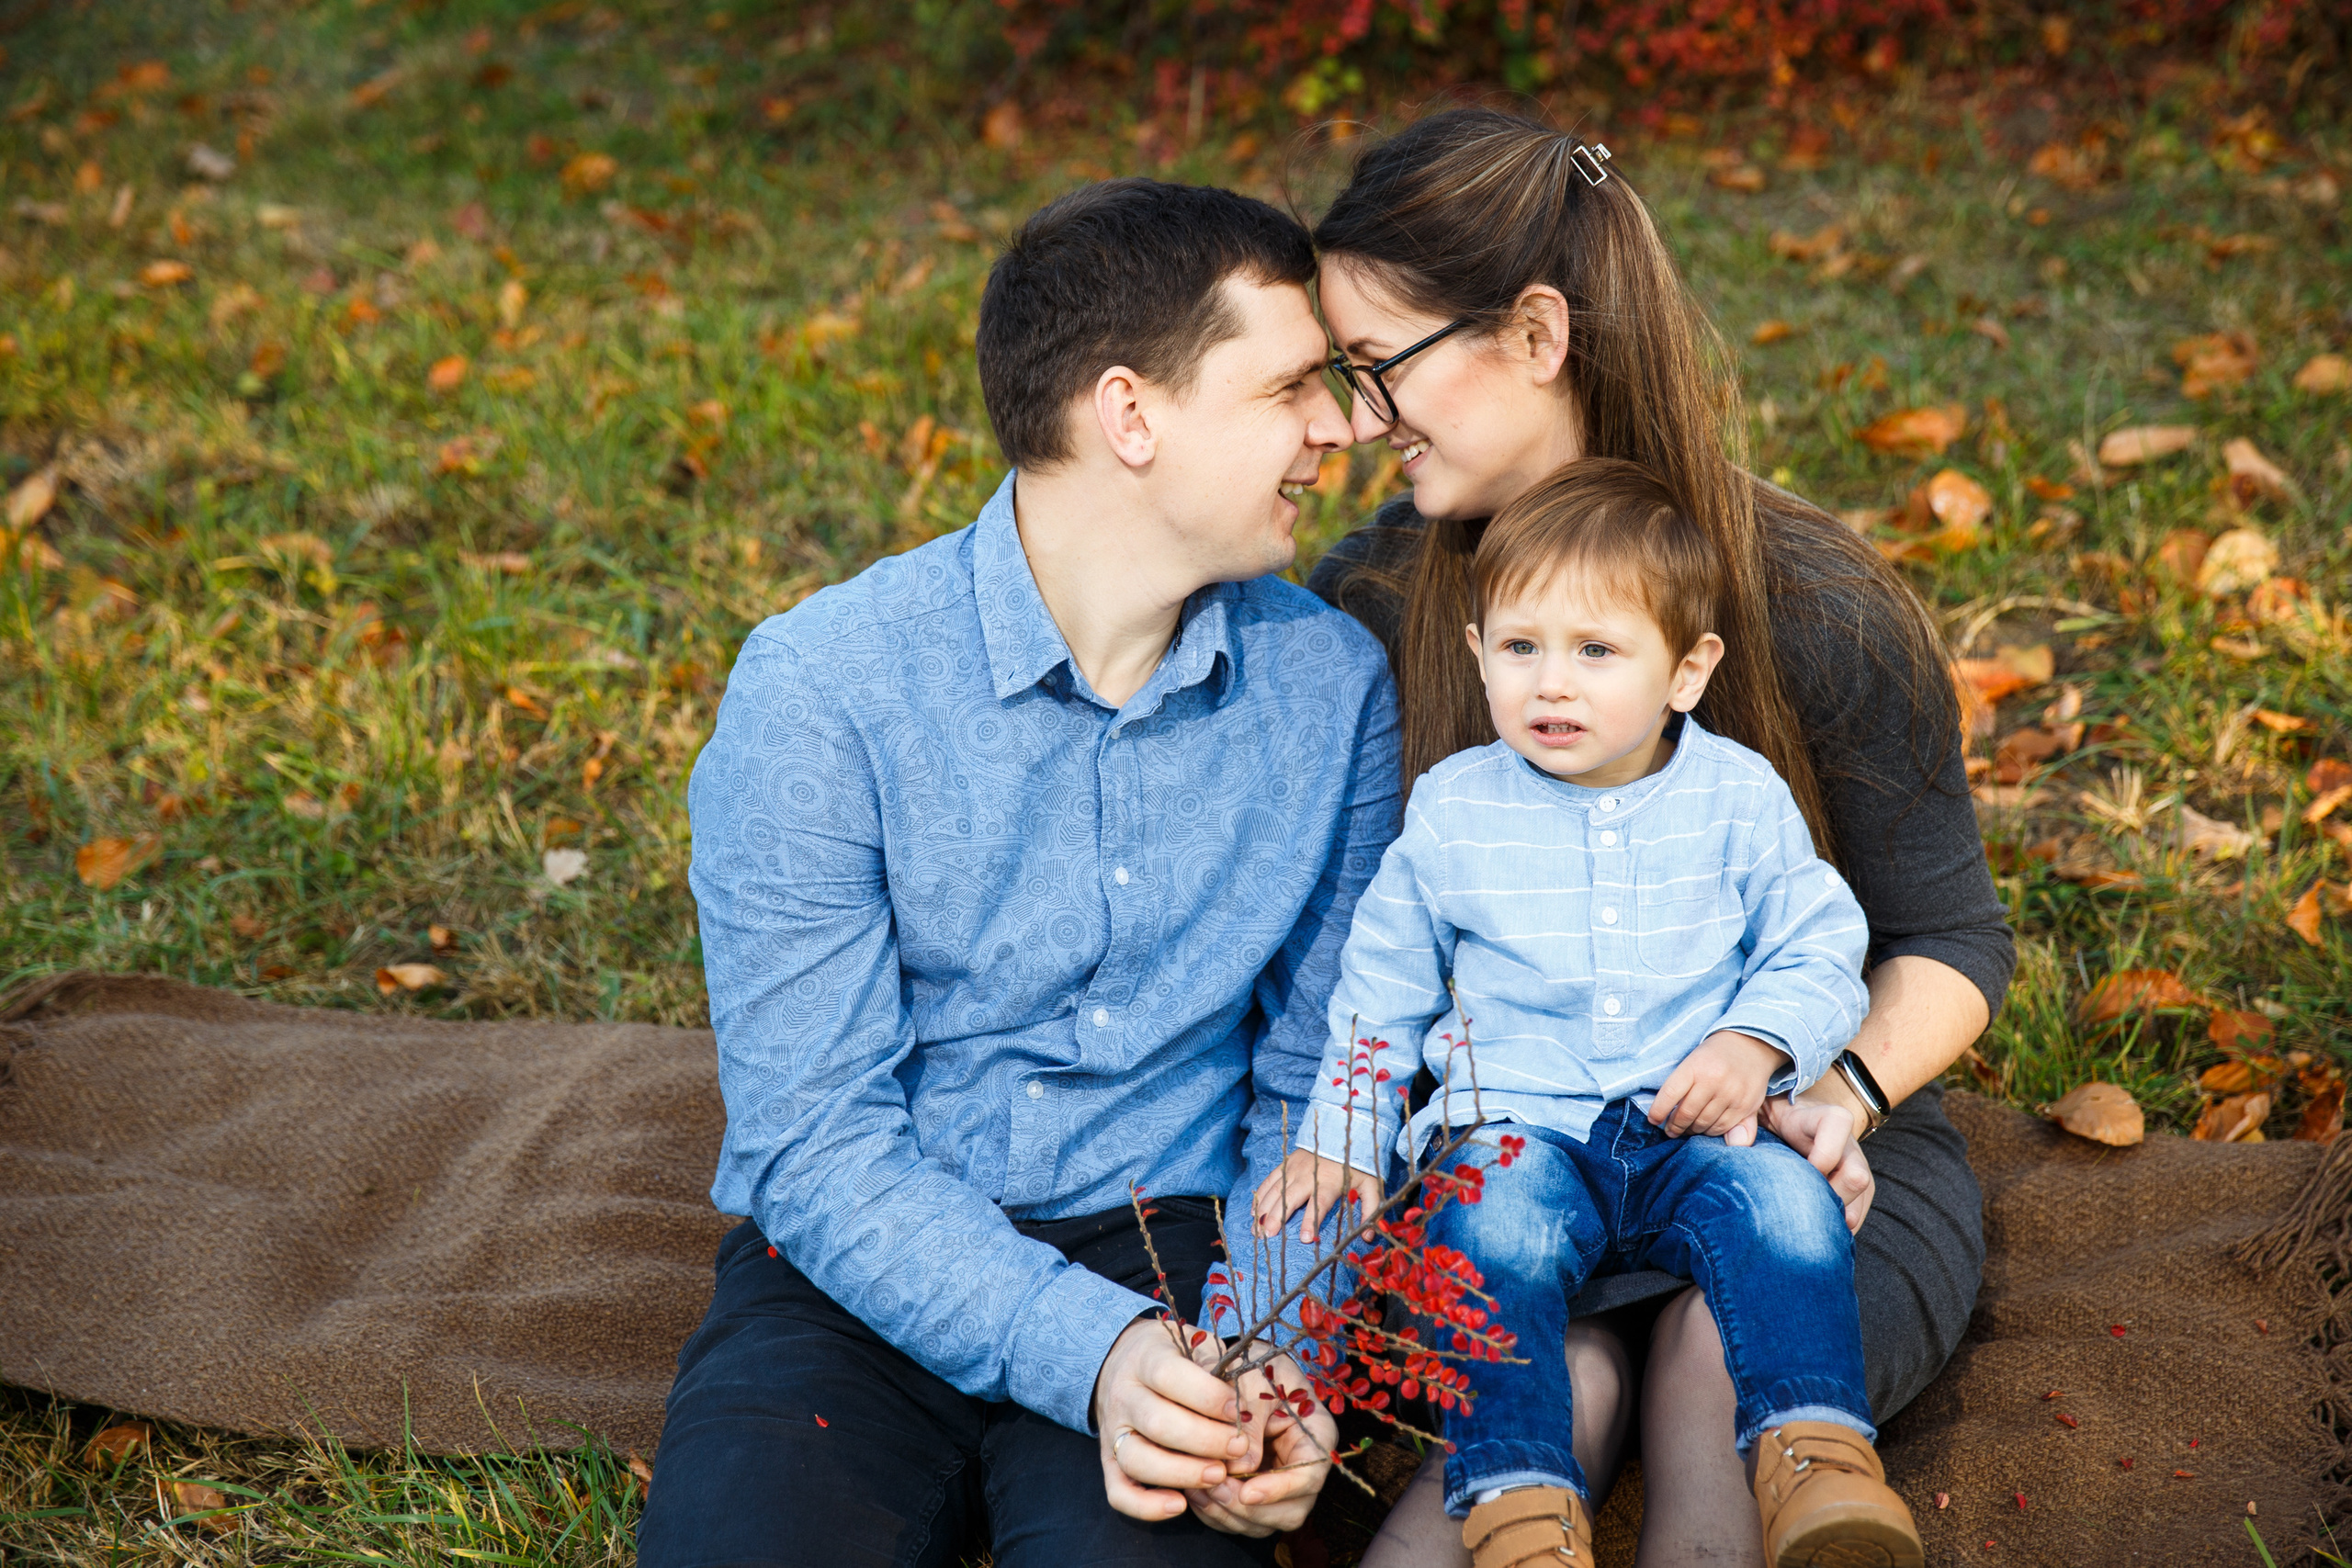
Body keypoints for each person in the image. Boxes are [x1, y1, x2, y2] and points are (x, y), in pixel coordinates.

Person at [639, 178, 1395, 1567]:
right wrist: (1087, 1350)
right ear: (1130, 414)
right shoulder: (823, 689)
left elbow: (1320, 1082)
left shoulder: (1330, 688)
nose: (1339, 427)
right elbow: (812, 1139)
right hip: (858, 1259)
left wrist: (1273, 1358)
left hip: (1175, 1260)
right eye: (1291, 385)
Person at [1303, 107, 2015, 1564]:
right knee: (1543, 1365)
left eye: (1379, 366)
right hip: (1506, 1155)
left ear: (1536, 334)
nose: (1361, 420)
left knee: (1720, 1359)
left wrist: (1837, 1092)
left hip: (1776, 1140)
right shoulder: (1373, 604)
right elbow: (1368, 970)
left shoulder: (1806, 603)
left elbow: (1947, 939)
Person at [1257, 460, 1923, 1568]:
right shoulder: (1456, 807)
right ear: (1477, 652)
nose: (1551, 685)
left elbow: (1817, 943)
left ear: (1686, 671)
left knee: (1784, 1208)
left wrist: (1754, 1042)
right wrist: (1345, 1130)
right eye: (1520, 648)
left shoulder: (1736, 797)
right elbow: (1381, 986)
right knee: (1487, 1234)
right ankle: (1518, 1499)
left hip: (1690, 1125)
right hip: (1519, 1129)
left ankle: (1815, 1457)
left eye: (1596, 652)